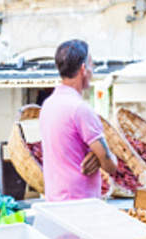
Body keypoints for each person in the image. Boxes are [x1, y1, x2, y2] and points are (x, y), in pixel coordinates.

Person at [39, 39, 117, 201]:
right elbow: (110, 165)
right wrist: (101, 157)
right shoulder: (80, 109)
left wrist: (97, 157)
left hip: (55, 200)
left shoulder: (48, 105)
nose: (93, 70)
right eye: (91, 65)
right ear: (83, 69)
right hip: (79, 204)